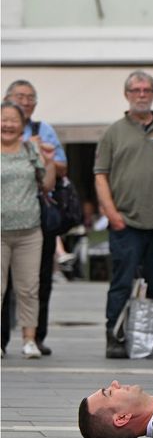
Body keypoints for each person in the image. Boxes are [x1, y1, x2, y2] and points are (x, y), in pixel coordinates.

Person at [94, 71, 153, 359]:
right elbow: (100, 176)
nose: (142, 94)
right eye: (136, 90)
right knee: (121, 282)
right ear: (127, 95)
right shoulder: (113, 132)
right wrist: (111, 213)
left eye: (147, 89)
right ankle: (115, 336)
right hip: (126, 223)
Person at [3, 80, 67, 357]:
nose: (7, 125)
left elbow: (48, 184)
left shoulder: (32, 148)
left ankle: (29, 340)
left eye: (12, 121)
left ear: (22, 123)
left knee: (29, 288)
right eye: (3, 120)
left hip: (29, 230)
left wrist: (49, 160)